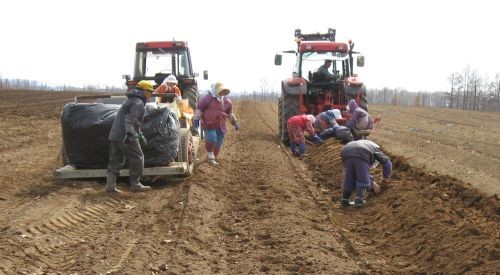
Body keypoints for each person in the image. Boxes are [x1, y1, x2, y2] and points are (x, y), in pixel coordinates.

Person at [105, 80, 154, 193]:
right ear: (145, 91)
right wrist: (130, 134)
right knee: (138, 157)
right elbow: (130, 119)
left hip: (115, 134)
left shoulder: (130, 99)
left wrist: (140, 133)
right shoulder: (138, 102)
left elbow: (129, 119)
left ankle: (110, 186)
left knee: (115, 160)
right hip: (126, 135)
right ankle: (135, 184)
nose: (151, 94)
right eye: (150, 92)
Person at [193, 82, 239, 166]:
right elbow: (199, 109)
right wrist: (196, 119)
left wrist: (235, 122)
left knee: (218, 142)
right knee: (212, 138)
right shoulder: (207, 99)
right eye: (220, 91)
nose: (222, 93)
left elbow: (230, 113)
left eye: (224, 91)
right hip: (209, 124)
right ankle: (211, 156)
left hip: (221, 125)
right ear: (215, 90)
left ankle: (213, 158)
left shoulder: (227, 102)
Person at [340, 140, 392, 207]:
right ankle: (359, 201)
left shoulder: (366, 144)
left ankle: (345, 201)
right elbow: (388, 163)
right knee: (363, 180)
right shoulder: (375, 149)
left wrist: (372, 182)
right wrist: (386, 177)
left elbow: (360, 172)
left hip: (345, 150)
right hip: (361, 151)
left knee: (349, 177)